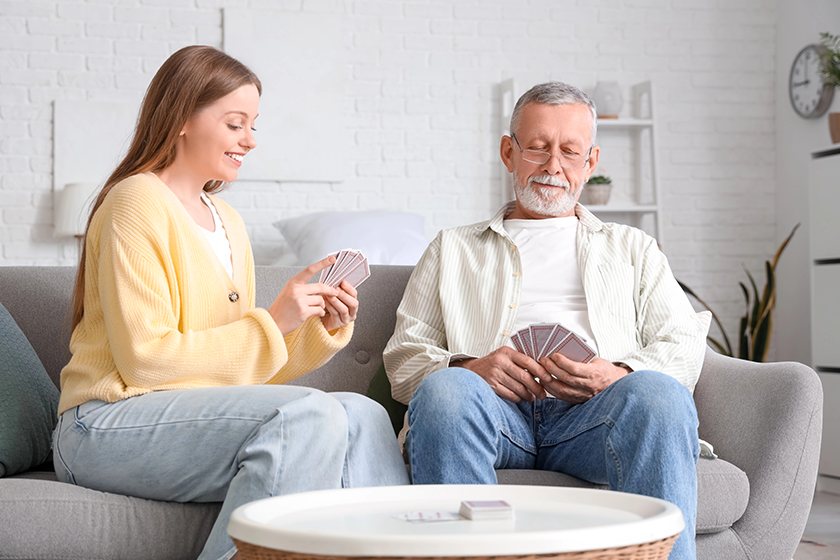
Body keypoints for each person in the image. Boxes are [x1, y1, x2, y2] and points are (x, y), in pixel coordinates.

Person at [53, 45, 409, 560]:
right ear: (182, 118)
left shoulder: (227, 221)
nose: (250, 140)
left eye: (254, 125)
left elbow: (237, 376)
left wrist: (309, 323)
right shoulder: (136, 202)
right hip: (103, 423)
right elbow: (146, 360)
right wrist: (274, 319)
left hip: (175, 414)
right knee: (311, 416)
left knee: (362, 414)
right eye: (236, 123)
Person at [383, 82, 709, 560]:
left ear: (590, 163)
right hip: (494, 413)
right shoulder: (451, 248)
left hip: (593, 416)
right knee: (448, 389)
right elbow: (405, 354)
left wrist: (616, 375)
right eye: (537, 148)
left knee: (659, 394)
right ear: (508, 152)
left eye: (569, 152)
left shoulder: (633, 247)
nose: (553, 166)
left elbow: (681, 341)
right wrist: (470, 367)